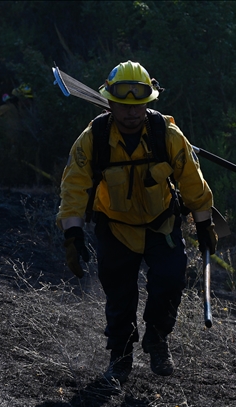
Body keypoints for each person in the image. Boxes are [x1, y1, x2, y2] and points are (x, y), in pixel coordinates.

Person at [56, 61, 216, 384]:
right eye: (124, 106)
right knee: (119, 296)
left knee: (170, 280)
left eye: (138, 105)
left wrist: (204, 225)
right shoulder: (93, 139)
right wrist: (72, 235)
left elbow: (193, 183)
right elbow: (73, 187)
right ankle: (120, 356)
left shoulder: (167, 136)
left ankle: (157, 339)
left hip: (161, 225)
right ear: (110, 103)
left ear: (148, 101)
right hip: (115, 228)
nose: (131, 113)